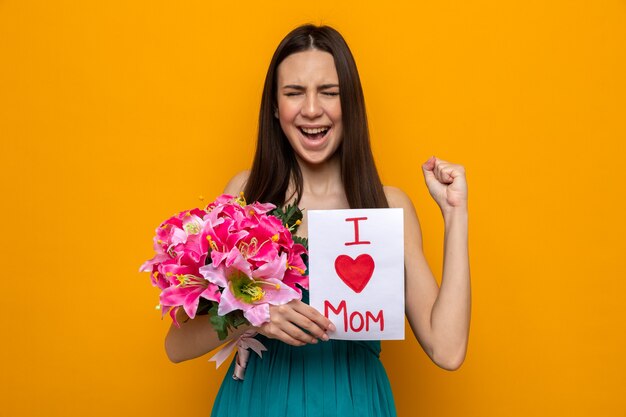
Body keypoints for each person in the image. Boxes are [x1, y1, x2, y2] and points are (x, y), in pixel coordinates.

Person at [164, 24, 471, 417]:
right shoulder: (247, 195)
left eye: (329, 92)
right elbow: (176, 346)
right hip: (260, 401)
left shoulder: (386, 207)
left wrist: (455, 215)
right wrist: (253, 313)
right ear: (275, 107)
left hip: (354, 402)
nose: (311, 109)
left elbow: (447, 350)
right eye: (294, 93)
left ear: (352, 104)